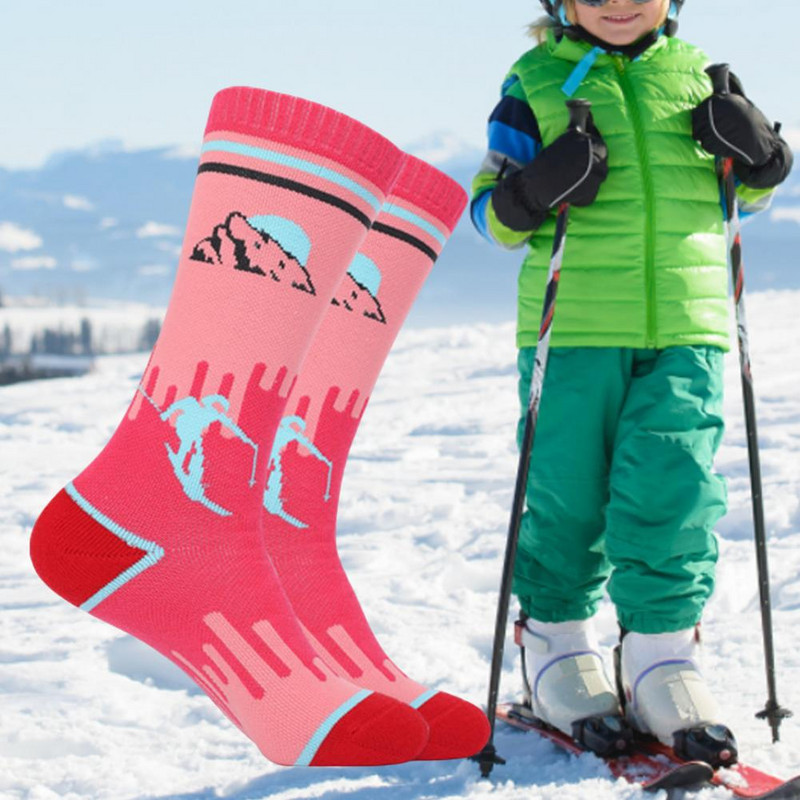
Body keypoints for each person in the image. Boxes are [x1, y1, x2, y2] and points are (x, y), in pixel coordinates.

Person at [470, 0, 792, 764]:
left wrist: (763, 160)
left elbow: (745, 196)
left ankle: (662, 660)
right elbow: (491, 218)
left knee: (672, 495)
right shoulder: (534, 82)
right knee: (568, 496)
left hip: (687, 327)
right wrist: (536, 188)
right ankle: (556, 649)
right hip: (572, 330)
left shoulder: (700, 77)